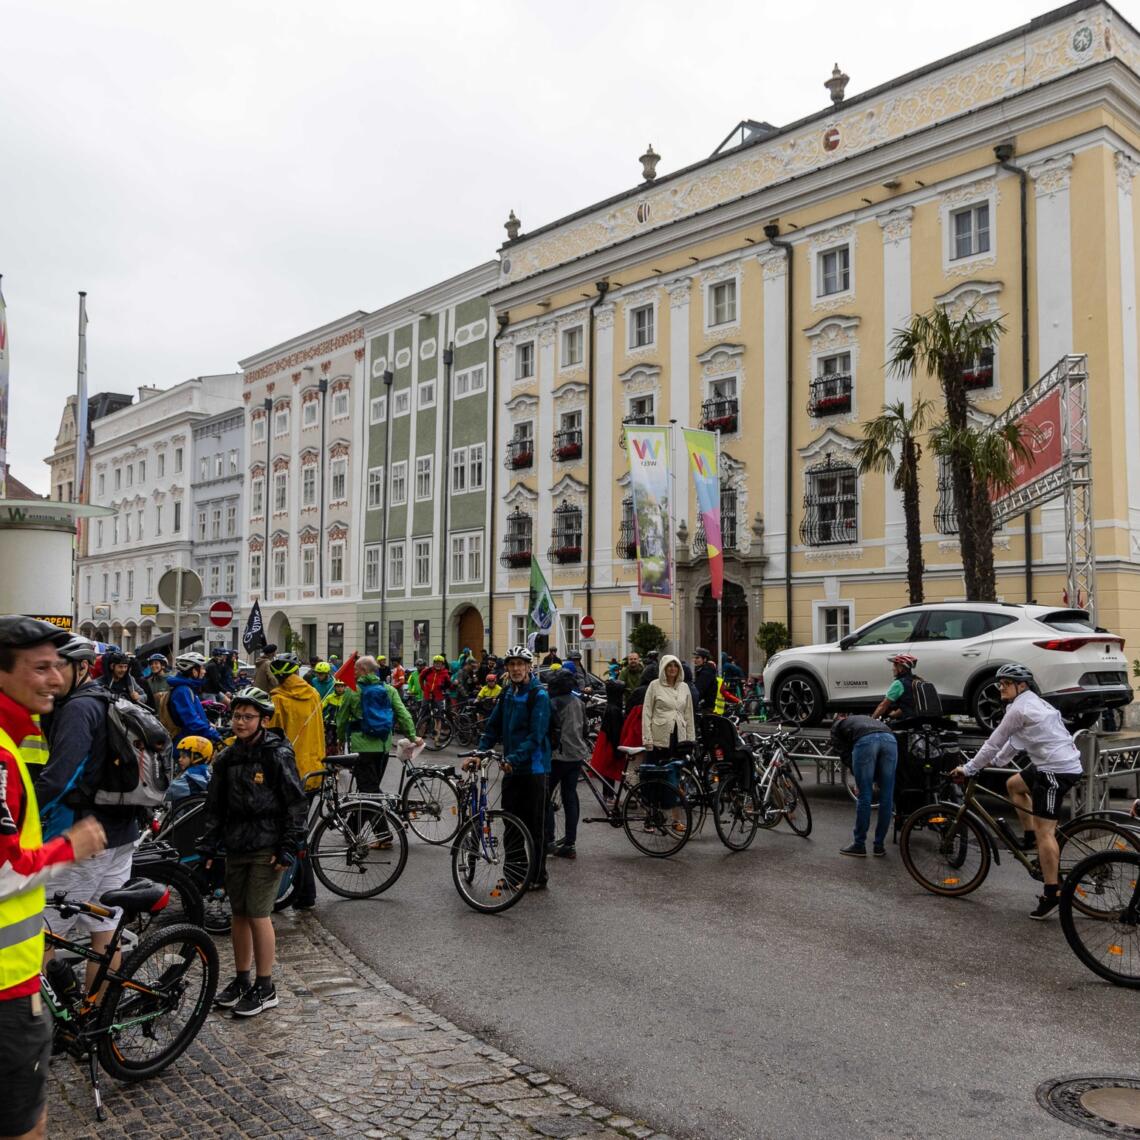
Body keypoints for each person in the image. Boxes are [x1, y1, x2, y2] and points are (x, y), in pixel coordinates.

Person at [0, 617, 107, 1140]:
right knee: (24, 1126)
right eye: (40, 667)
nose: (55, 678)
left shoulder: (17, 735)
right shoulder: (0, 753)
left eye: (60, 666)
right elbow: (3, 872)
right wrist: (71, 846)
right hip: (5, 986)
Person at [199, 687, 307, 1017]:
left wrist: (288, 847)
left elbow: (294, 803)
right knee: (239, 914)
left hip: (267, 845)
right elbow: (215, 806)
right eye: (236, 716)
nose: (240, 722)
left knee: (259, 914)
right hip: (236, 844)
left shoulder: (277, 753)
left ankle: (266, 985)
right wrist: (208, 843)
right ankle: (242, 978)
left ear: (263, 720)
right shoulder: (227, 757)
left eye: (248, 717)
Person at [949, 663, 1084, 919]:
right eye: (1000, 683)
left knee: (1048, 832)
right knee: (1014, 785)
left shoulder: (1020, 708)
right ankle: (1030, 837)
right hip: (1053, 763)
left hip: (1055, 770)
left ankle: (1051, 892)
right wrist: (996, 762)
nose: (1001, 687)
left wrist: (969, 769)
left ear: (1021, 686)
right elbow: (1014, 741)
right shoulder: (1029, 703)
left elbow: (993, 742)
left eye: (1006, 683)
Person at [477, 645, 552, 890]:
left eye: (521, 664)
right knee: (511, 823)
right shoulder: (508, 693)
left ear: (529, 667)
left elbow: (536, 735)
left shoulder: (538, 695)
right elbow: (493, 726)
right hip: (511, 768)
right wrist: (479, 753)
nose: (516, 668)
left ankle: (537, 876)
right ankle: (514, 874)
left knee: (534, 826)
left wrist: (514, 759)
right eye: (512, 664)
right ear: (507, 668)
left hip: (533, 769)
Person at [335, 655, 419, 793]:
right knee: (372, 785)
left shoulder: (352, 690)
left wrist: (341, 739)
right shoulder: (389, 690)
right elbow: (403, 714)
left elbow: (342, 718)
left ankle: (381, 813)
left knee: (368, 788)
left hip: (361, 747)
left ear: (364, 670)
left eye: (356, 669)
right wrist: (412, 736)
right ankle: (365, 813)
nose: (354, 672)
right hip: (383, 745)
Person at [831, 712, 899, 858]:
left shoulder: (837, 726)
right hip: (890, 739)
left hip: (866, 741)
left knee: (865, 795)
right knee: (887, 796)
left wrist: (858, 777)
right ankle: (879, 846)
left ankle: (859, 844)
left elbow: (843, 752)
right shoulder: (865, 719)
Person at [546, 669, 589, 859]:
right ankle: (570, 844)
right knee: (570, 797)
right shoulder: (579, 702)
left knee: (545, 796)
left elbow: (548, 730)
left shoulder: (552, 703)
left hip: (557, 756)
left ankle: (549, 840)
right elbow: (585, 729)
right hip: (576, 755)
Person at [642, 654, 696, 760]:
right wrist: (647, 738)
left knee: (678, 769)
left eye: (676, 665)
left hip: (680, 736)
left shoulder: (684, 687)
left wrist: (690, 739)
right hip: (659, 736)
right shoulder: (654, 685)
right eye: (669, 665)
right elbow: (647, 712)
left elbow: (688, 714)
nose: (673, 668)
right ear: (663, 668)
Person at [166, 651, 223, 749]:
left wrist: (209, 724)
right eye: (202, 668)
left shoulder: (187, 688)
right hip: (186, 746)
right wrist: (214, 733)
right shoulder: (183, 690)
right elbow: (191, 722)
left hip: (191, 741)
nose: (204, 671)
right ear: (193, 671)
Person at [166, 735, 214, 802]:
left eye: (184, 757)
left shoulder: (191, 777)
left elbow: (167, 794)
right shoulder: (206, 770)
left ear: (196, 757)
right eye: (180, 756)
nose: (179, 759)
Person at [872, 654, 919, 721]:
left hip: (909, 722)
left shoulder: (899, 683)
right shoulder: (917, 681)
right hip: (925, 720)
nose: (892, 669)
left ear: (900, 667)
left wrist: (872, 720)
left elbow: (883, 705)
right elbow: (909, 706)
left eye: (894, 666)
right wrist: (893, 715)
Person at [418, 654, 451, 743]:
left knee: (438, 717)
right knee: (423, 716)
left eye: (439, 663)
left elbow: (448, 684)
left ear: (442, 664)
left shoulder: (445, 673)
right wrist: (423, 688)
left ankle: (436, 739)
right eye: (436, 663)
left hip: (438, 697)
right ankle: (419, 739)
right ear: (433, 663)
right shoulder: (428, 670)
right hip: (427, 696)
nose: (437, 665)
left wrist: (444, 688)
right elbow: (420, 678)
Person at [691, 647, 719, 712]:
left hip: (705, 708)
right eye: (694, 658)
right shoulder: (703, 670)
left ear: (705, 659)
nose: (695, 660)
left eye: (697, 658)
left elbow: (699, 691)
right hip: (704, 706)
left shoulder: (706, 673)